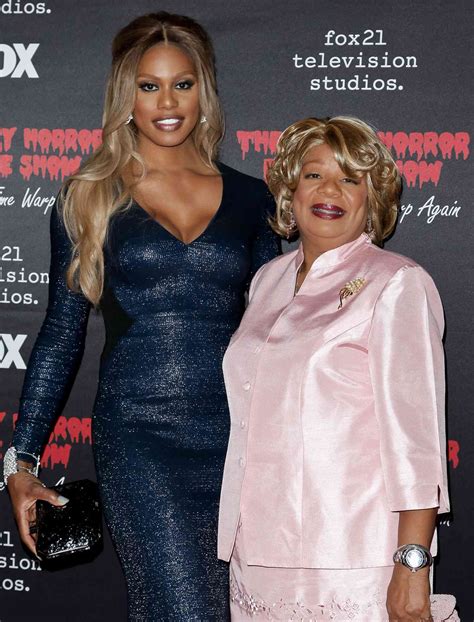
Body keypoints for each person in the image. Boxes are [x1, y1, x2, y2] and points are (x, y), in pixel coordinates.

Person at [4, 11, 279, 621]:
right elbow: (62, 334)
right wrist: (21, 462)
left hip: (242, 438)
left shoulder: (253, 198)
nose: (167, 102)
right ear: (125, 96)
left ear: (204, 91)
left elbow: (274, 328)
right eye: (149, 86)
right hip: (140, 438)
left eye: (183, 83)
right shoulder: (89, 195)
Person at [218, 117, 458, 621]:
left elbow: (416, 443)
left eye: (350, 178)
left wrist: (413, 563)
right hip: (256, 556)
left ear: (372, 198)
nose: (330, 191)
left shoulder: (396, 283)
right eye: (314, 175)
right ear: (291, 189)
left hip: (353, 558)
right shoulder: (266, 281)